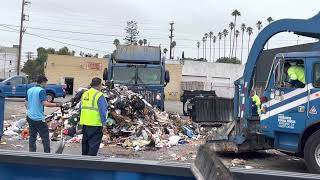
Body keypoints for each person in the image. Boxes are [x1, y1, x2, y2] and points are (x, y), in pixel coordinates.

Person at [26, 75, 62, 153]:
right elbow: (45, 103)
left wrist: (31, 110)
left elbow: (26, 103)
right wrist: (57, 104)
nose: (46, 85)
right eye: (46, 83)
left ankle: (32, 153)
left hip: (30, 116)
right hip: (38, 118)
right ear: (43, 82)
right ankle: (47, 155)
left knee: (32, 136)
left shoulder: (30, 90)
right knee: (45, 137)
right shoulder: (41, 90)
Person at [80, 77, 108, 156]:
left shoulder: (85, 93)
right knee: (93, 146)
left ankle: (84, 162)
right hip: (95, 124)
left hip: (85, 123)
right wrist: (104, 124)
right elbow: (102, 111)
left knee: (85, 144)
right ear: (99, 85)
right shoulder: (99, 95)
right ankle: (90, 163)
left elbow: (80, 108)